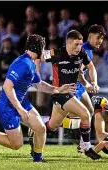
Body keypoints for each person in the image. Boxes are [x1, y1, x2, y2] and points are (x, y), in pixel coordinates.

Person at [0, 34, 75, 162]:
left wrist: (58, 89)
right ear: (38, 48)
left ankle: (38, 159)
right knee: (16, 144)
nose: (44, 51)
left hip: (21, 102)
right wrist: (19, 109)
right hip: (8, 107)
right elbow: (7, 86)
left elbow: (39, 84)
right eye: (43, 47)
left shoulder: (31, 63)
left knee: (40, 128)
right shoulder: (24, 63)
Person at [29, 30, 101, 160]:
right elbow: (37, 55)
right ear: (67, 44)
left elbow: (91, 67)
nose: (79, 47)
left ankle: (34, 135)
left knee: (53, 125)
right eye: (76, 44)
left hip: (70, 93)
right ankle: (87, 147)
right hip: (60, 93)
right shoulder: (57, 53)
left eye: (80, 44)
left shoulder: (81, 53)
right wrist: (37, 75)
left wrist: (93, 82)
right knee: (85, 113)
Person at [74, 24, 106, 152]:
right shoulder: (84, 50)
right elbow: (78, 72)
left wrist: (94, 82)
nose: (100, 41)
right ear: (90, 36)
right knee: (64, 118)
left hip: (79, 86)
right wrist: (88, 84)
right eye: (98, 37)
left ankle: (83, 144)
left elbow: (91, 68)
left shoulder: (90, 51)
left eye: (102, 38)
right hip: (71, 85)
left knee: (89, 111)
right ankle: (39, 125)